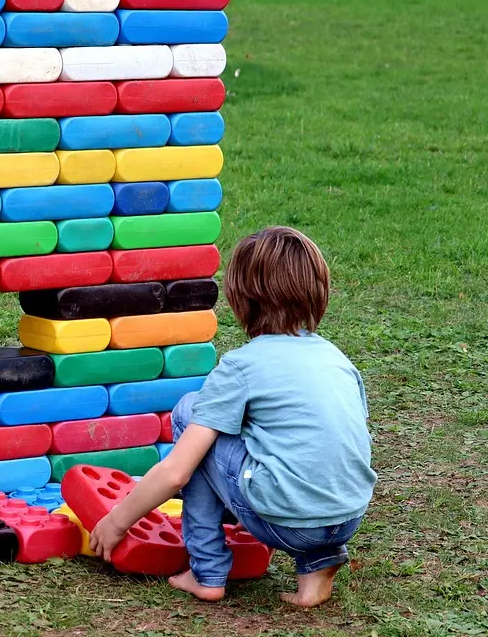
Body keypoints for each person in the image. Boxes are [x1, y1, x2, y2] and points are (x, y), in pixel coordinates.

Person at [88, 226, 377, 608]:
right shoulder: (337, 360)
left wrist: (116, 521)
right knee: (291, 450)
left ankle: (206, 571)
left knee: (192, 412)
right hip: (347, 514)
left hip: (287, 520)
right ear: (318, 290)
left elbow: (178, 472)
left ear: (240, 297)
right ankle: (317, 570)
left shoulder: (241, 367)